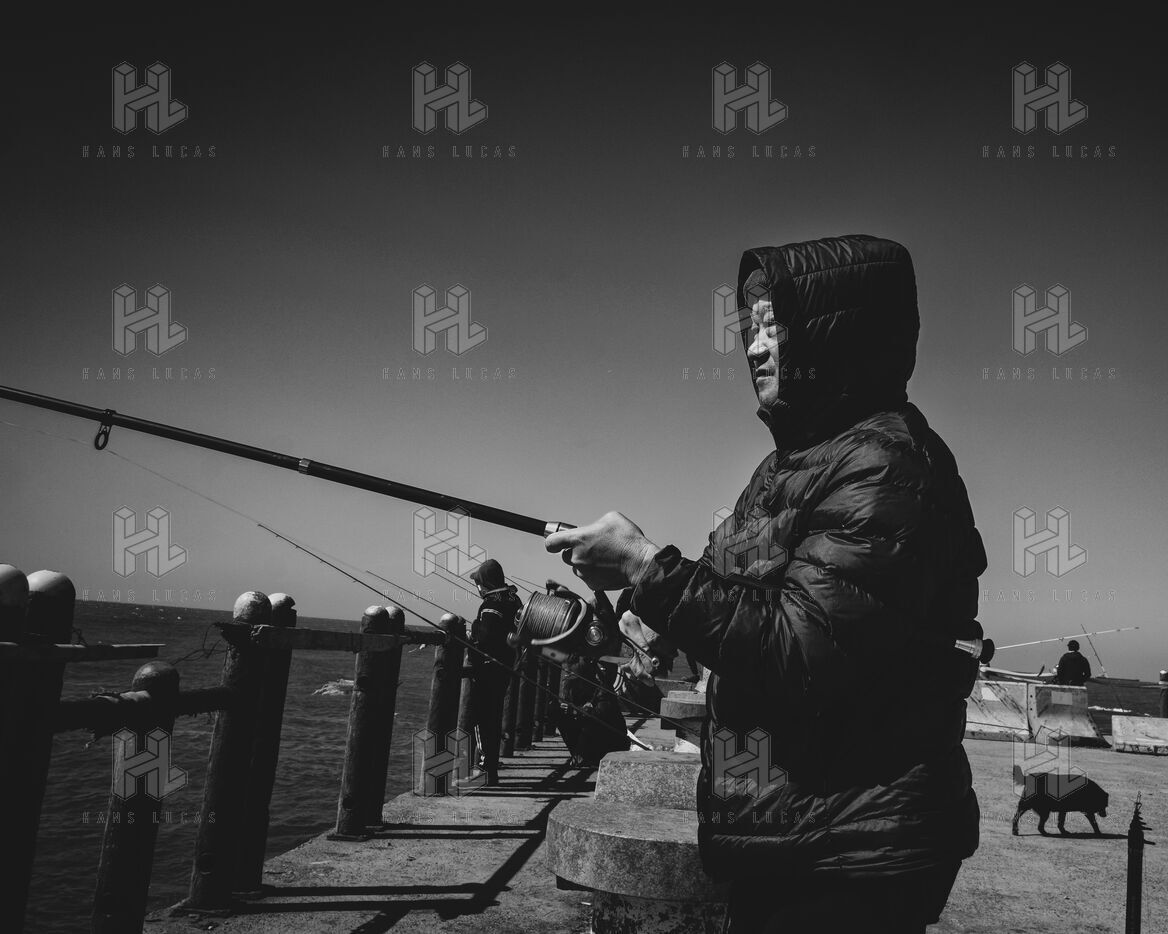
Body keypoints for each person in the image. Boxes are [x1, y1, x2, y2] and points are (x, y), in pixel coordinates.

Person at [546, 235, 986, 933]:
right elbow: (732, 605)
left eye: (775, 328)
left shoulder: (887, 465)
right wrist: (636, 626)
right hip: (789, 825)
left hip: (853, 845)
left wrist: (644, 566)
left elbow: (802, 650)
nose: (754, 349)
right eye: (749, 329)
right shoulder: (786, 468)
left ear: (837, 335)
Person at [468, 558, 522, 784]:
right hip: (506, 667)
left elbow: (485, 638)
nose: (478, 588)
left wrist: (474, 628)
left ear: (485, 583)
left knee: (479, 719)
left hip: (488, 669)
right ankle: (490, 768)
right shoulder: (513, 599)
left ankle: (485, 769)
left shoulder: (490, 605)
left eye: (479, 583)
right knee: (494, 716)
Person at [556, 654, 630, 767]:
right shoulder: (571, 686)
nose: (567, 672)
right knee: (558, 714)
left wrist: (576, 711)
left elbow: (601, 715)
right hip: (590, 738)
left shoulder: (602, 687)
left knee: (589, 721)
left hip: (611, 742)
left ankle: (587, 756)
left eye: (571, 670)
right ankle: (579, 755)